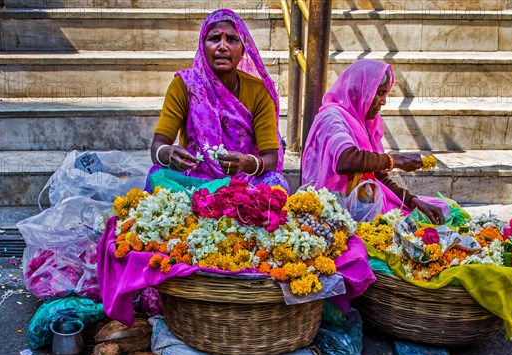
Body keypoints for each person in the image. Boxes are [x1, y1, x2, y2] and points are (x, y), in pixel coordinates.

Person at [146, 9, 289, 192]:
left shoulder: (258, 92)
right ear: (202, 46)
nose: (223, 46)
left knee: (274, 182)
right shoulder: (185, 85)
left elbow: (271, 159)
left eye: (231, 39)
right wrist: (168, 153)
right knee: (157, 173)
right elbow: (157, 146)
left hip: (242, 186)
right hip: (192, 183)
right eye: (214, 39)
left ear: (243, 49)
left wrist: (246, 163)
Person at [301, 59, 448, 224]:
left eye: (385, 94)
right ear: (359, 91)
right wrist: (395, 160)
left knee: (440, 208)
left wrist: (411, 200)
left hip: (365, 199)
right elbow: (346, 159)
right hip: (334, 206)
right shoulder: (332, 118)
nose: (383, 101)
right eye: (379, 93)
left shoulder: (366, 122)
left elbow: (377, 175)